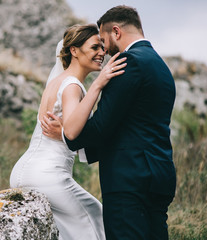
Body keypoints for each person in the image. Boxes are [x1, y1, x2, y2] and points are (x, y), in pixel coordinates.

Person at [43, 5, 176, 240]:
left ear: (116, 31)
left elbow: (102, 125)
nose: (104, 50)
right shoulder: (160, 66)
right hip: (160, 173)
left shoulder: (128, 62)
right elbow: (129, 123)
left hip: (130, 179)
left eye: (103, 41)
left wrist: (65, 132)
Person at [10, 24, 126, 240]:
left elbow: (67, 129)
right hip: (48, 176)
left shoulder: (55, 81)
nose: (102, 53)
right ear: (74, 50)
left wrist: (63, 129)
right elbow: (72, 131)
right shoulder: (72, 85)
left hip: (21, 172)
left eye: (102, 47)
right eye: (94, 47)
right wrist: (98, 84)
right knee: (94, 220)